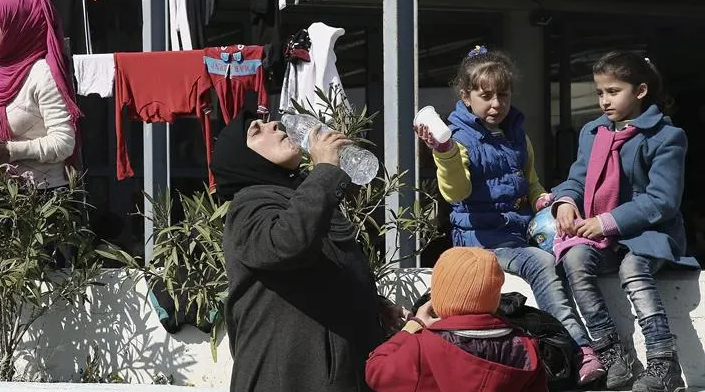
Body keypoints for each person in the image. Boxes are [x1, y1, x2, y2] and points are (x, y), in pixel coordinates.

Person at [413, 45, 604, 385]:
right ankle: (579, 349)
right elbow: (455, 192)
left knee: (574, 253)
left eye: (503, 94)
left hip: (516, 235)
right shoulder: (456, 138)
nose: (496, 104)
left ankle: (595, 343)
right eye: (485, 95)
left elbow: (530, 184)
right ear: (466, 96)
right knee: (541, 263)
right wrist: (442, 153)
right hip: (479, 242)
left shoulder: (517, 134)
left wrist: (544, 199)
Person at [552, 51, 699, 392]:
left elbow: (662, 200)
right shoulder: (592, 132)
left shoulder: (666, 137)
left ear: (641, 90)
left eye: (613, 91)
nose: (604, 100)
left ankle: (664, 363)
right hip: (600, 235)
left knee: (633, 270)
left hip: (650, 234)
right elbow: (577, 177)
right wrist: (565, 201)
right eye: (600, 92)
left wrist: (607, 221)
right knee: (574, 258)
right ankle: (611, 353)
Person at [211, 110, 386, 392]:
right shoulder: (249, 206)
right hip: (287, 378)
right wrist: (325, 173)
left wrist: (375, 307)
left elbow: (322, 274)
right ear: (242, 158)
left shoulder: (301, 197)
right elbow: (287, 245)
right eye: (257, 130)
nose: (275, 126)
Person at [365, 247, 548, 392]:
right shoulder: (526, 348)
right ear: (494, 296)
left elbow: (375, 372)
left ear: (437, 297)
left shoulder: (421, 346)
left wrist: (412, 326)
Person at [0, 0, 80, 190]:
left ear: (20, 25)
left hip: (41, 198)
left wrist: (10, 151)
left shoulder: (42, 74)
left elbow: (64, 142)